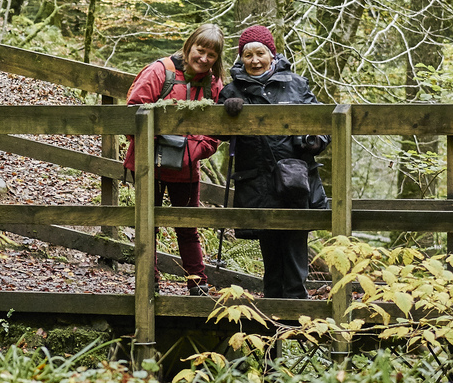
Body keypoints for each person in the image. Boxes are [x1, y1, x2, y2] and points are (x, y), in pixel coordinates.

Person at [219, 25, 329, 299]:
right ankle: (272, 308)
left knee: (295, 240)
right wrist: (226, 111)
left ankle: (295, 304)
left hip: (295, 177)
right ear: (240, 58)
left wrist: (314, 140)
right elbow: (214, 131)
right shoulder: (232, 90)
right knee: (269, 242)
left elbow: (324, 122)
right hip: (258, 180)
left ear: (272, 54)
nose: (254, 60)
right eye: (248, 55)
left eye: (260, 53)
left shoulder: (297, 84)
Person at [122, 23, 225, 294]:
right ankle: (148, 279)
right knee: (147, 222)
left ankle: (198, 284)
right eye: (200, 51)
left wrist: (192, 152)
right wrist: (155, 148)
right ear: (189, 46)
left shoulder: (214, 83)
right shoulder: (159, 71)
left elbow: (216, 131)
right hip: (148, 164)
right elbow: (132, 113)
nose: (203, 59)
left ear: (217, 59)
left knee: (187, 226)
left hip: (187, 167)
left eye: (211, 55)